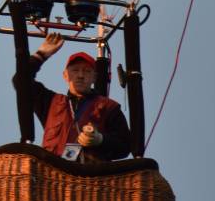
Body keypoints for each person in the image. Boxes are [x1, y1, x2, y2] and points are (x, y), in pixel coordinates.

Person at [13, 32, 131, 162]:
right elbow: (20, 81)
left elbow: (125, 146)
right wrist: (41, 54)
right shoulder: (50, 102)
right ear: (65, 75)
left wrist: (100, 140)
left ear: (94, 78)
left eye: (87, 71)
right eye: (75, 70)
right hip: (53, 171)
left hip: (90, 173)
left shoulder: (109, 108)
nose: (80, 75)